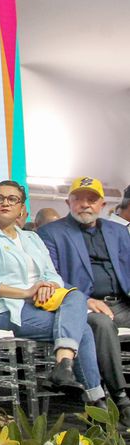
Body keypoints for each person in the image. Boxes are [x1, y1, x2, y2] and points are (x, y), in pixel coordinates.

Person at [0, 180, 105, 405]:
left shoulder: (31, 237)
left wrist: (47, 287)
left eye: (12, 199)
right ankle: (94, 399)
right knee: (83, 330)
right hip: (3, 310)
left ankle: (66, 369)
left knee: (76, 296)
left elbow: (53, 275)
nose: (5, 203)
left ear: (22, 207)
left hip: (39, 304)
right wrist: (28, 292)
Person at [37, 176, 130, 422]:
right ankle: (121, 398)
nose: (85, 204)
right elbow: (51, 276)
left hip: (122, 302)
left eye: (92, 199)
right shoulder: (51, 233)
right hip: (82, 306)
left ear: (101, 204)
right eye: (79, 199)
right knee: (101, 325)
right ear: (68, 202)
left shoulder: (118, 231)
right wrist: (84, 300)